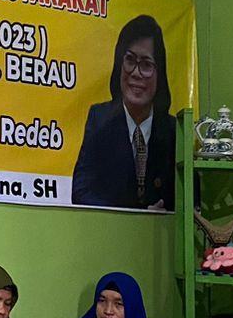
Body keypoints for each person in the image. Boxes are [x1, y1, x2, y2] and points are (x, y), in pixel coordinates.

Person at [71, 14, 175, 210]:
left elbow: (191, 197)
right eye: (130, 60)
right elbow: (81, 191)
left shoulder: (173, 131)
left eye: (146, 64)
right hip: (109, 228)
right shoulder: (100, 119)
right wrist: (128, 215)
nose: (135, 73)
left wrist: (164, 213)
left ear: (159, 73)